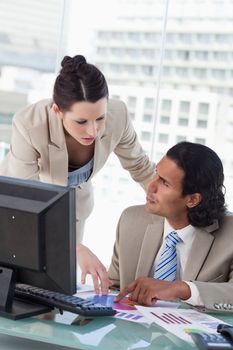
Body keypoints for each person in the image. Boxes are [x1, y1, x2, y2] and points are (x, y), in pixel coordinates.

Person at [0, 54, 154, 294]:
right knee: (17, 286)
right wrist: (75, 248)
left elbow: (140, 166)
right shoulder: (29, 124)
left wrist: (172, 203)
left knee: (56, 288)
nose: (93, 130)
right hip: (17, 209)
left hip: (71, 208)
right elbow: (25, 203)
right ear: (57, 111)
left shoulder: (118, 115)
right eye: (81, 121)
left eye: (99, 118)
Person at [109, 141, 233, 309]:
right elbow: (114, 289)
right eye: (156, 174)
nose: (150, 186)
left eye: (164, 183)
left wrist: (180, 289)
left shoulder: (229, 233)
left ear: (192, 200)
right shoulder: (131, 220)